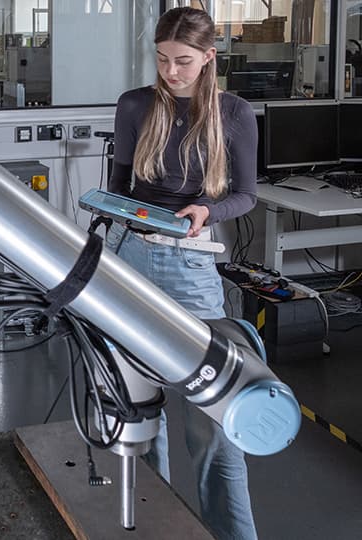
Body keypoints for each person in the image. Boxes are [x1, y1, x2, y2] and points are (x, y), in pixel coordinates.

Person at [105, 7, 258, 540]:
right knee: (137, 412)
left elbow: (245, 195)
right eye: (163, 60)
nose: (171, 71)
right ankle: (150, 527)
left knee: (212, 425)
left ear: (209, 57)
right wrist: (111, 213)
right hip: (128, 259)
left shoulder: (235, 113)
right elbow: (120, 184)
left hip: (190, 267)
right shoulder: (134, 106)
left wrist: (205, 212)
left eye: (184, 62)